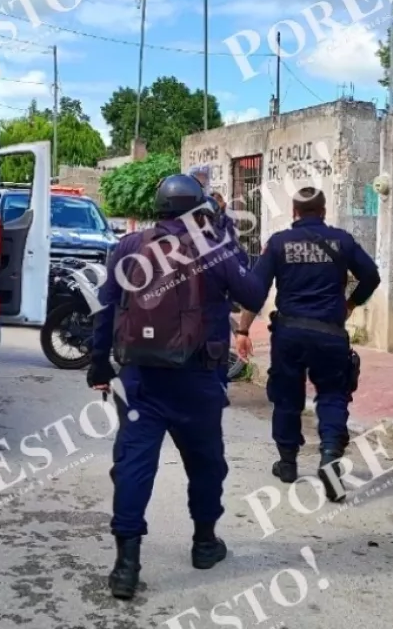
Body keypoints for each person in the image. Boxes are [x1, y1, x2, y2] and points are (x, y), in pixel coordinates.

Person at [87, 174, 266, 600]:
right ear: (199, 208)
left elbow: (106, 308)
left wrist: (98, 365)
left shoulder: (129, 247)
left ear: (159, 208)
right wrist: (226, 236)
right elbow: (254, 293)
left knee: (133, 465)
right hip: (197, 379)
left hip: (139, 381)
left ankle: (125, 566)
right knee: (206, 464)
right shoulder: (214, 247)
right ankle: (205, 544)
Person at [234, 187, 381, 503]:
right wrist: (351, 304)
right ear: (324, 211)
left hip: (289, 334)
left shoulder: (277, 244)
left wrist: (243, 329)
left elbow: (255, 291)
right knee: (332, 394)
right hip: (330, 333)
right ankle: (329, 454)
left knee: (287, 396)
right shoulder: (342, 241)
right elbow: (371, 275)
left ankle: (287, 463)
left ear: (294, 212)